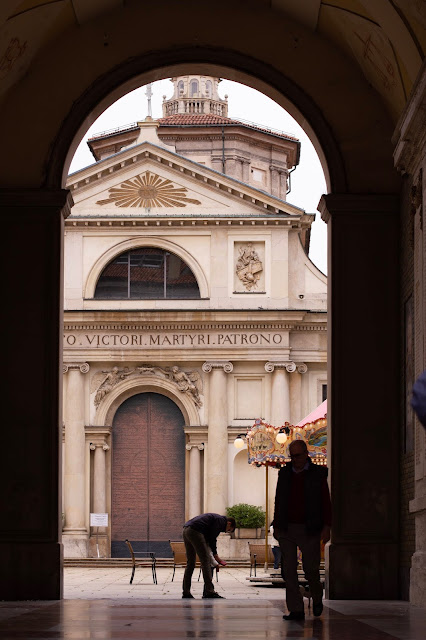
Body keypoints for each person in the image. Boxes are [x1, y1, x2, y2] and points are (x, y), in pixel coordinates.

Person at [273, 439, 331, 621]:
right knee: (288, 570)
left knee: (311, 569)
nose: (295, 459)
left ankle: (316, 594)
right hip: (287, 528)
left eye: (298, 456)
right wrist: (276, 525)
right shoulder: (284, 474)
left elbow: (325, 502)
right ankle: (296, 609)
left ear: (307, 454)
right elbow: (279, 500)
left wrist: (327, 527)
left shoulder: (318, 474)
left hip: (310, 528)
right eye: (292, 456)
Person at [182, 512, 236, 599]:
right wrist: (215, 555)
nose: (226, 531)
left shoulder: (216, 519)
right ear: (229, 523)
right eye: (229, 529)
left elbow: (208, 538)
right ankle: (209, 591)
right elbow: (212, 539)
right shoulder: (221, 521)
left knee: (190, 562)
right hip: (195, 531)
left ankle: (186, 592)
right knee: (205, 561)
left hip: (186, 530)